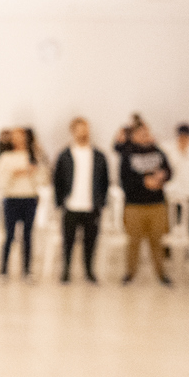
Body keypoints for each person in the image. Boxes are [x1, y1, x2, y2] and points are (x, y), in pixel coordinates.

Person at [53, 117, 110, 283]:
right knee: (68, 241)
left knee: (90, 241)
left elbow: (105, 180)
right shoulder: (65, 155)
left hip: (91, 205)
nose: (83, 132)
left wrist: (101, 201)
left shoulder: (98, 156)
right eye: (79, 129)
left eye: (85, 129)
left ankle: (89, 271)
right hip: (71, 205)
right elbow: (57, 180)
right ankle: (66, 271)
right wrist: (60, 202)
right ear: (73, 132)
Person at [117, 122, 173, 286]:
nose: (144, 136)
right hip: (135, 206)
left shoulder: (158, 151)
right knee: (133, 241)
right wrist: (144, 181)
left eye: (146, 132)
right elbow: (124, 180)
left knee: (157, 241)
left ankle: (161, 274)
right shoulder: (127, 154)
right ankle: (130, 273)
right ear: (134, 136)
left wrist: (162, 177)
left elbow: (169, 171)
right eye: (140, 133)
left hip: (156, 204)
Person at [0, 127, 48, 279]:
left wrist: (33, 171)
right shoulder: (6, 158)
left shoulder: (33, 157)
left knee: (27, 236)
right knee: (9, 235)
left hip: (29, 198)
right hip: (11, 199)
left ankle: (27, 270)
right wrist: (14, 174)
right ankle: (4, 270)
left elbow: (43, 179)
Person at [163, 122, 189, 243]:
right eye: (181, 136)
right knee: (170, 228)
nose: (183, 139)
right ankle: (169, 251)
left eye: (186, 136)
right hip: (172, 195)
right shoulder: (168, 150)